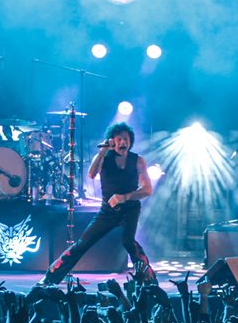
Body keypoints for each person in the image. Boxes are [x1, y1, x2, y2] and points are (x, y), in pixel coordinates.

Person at [41, 122, 156, 285]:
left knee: (128, 241)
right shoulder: (104, 158)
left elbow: (147, 189)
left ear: (131, 141)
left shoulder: (138, 161)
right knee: (83, 243)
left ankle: (148, 279)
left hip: (130, 209)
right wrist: (102, 151)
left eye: (126, 139)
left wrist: (125, 197)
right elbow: (91, 174)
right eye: (119, 139)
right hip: (108, 211)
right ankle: (51, 276)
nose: (123, 143)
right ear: (112, 141)